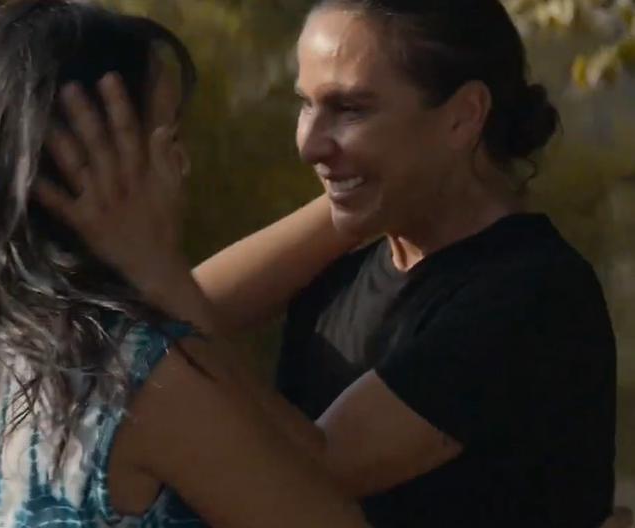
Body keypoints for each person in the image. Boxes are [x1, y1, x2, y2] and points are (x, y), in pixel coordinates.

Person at [38, 0, 622, 527]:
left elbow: (312, 466)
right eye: (306, 104)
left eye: (350, 108)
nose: (308, 143)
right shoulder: (342, 269)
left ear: (463, 115)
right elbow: (156, 321)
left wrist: (152, 261)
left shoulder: (531, 294)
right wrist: (356, 197)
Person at [0, 1, 366, 527]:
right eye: (169, 137)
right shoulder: (140, 381)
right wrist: (162, 271)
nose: (183, 163)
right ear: (93, 162)